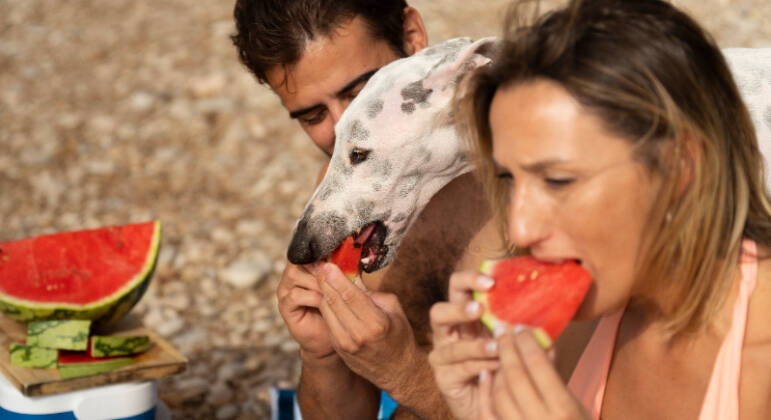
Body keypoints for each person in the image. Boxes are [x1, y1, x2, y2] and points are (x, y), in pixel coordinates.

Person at [428, 0, 771, 419]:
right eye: (509, 179)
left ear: (682, 166)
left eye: (557, 180)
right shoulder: (571, 328)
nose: (519, 230)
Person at [231, 1, 501, 418]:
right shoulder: (344, 203)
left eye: (359, 91)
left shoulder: (538, 182)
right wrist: (321, 355)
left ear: (412, 38)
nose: (344, 127)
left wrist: (409, 375)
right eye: (313, 115)